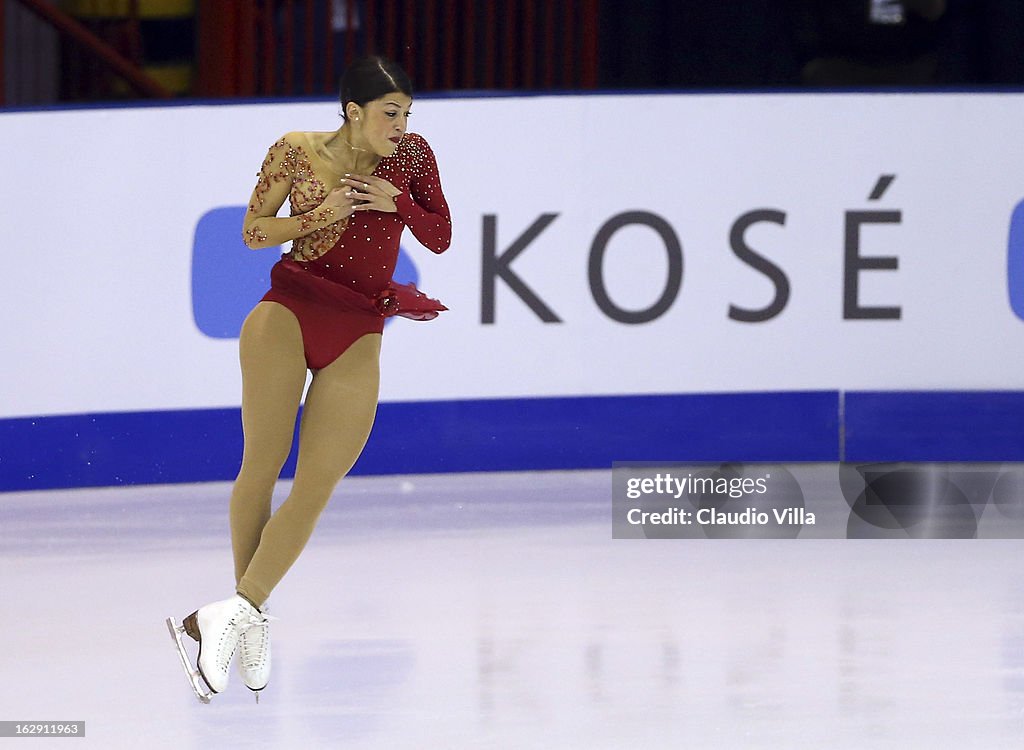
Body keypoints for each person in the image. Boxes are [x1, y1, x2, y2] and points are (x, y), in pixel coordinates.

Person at [166, 55, 452, 703]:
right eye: (389, 112)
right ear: (354, 111)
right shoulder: (295, 151)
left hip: (359, 329)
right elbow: (251, 232)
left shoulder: (410, 159)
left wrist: (397, 200)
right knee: (262, 466)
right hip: (288, 314)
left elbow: (440, 236)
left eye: (407, 112)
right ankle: (250, 620)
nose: (401, 124)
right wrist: (314, 220)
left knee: (319, 482)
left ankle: (233, 613)